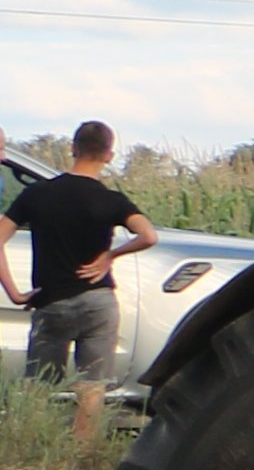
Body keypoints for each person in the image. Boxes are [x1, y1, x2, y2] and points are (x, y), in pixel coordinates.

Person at [15, 122, 154, 391]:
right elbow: (148, 235)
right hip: (98, 301)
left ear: (73, 149)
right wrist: (110, 255)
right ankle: (85, 435)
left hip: (52, 299)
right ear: (109, 156)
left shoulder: (37, 194)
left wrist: (15, 292)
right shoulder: (112, 200)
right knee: (92, 387)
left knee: (39, 387)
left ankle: (37, 431)